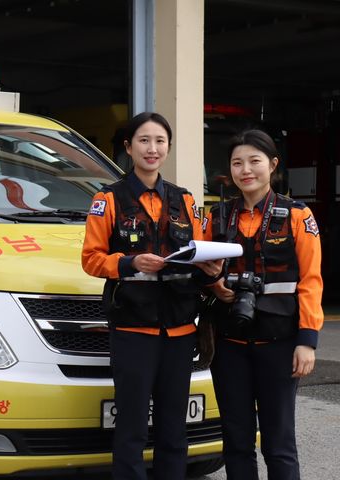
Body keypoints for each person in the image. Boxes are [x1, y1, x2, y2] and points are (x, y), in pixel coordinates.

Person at [82, 111, 222, 480]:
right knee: (131, 427)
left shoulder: (185, 201)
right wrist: (129, 262)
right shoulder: (108, 199)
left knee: (174, 427)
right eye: (144, 140)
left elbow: (197, 250)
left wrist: (210, 268)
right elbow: (91, 260)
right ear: (128, 147)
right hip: (132, 329)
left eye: (160, 141)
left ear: (169, 147)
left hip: (179, 329)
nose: (152, 148)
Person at [202, 129, 323, 479]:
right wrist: (215, 284)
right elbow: (198, 270)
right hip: (230, 346)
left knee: (279, 443)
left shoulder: (298, 216)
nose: (246, 170)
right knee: (236, 442)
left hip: (280, 345)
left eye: (254, 161)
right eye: (237, 163)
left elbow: (311, 281)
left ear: (272, 164)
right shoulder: (218, 217)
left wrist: (306, 341)